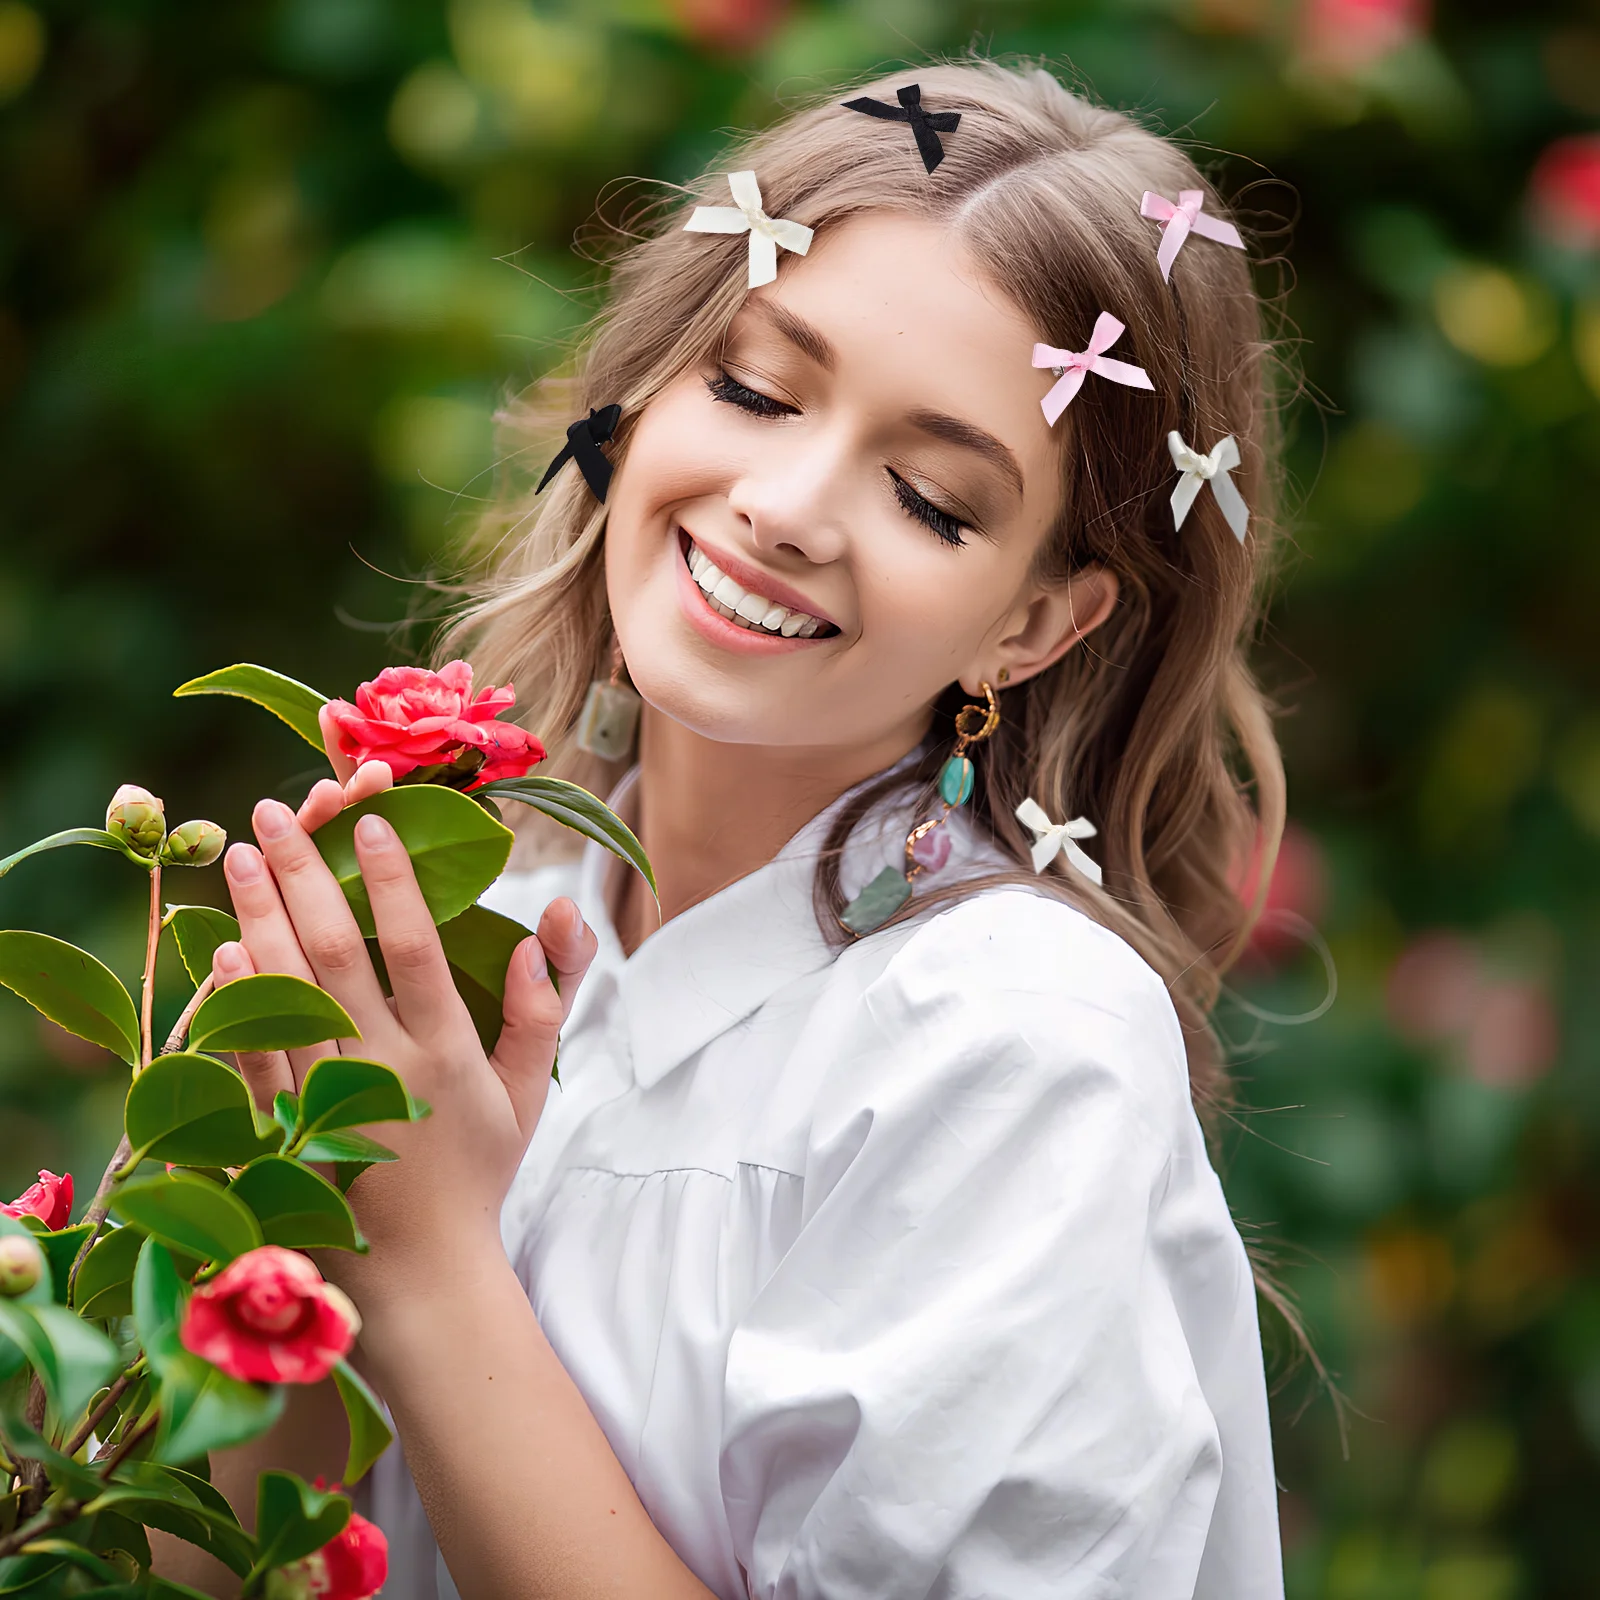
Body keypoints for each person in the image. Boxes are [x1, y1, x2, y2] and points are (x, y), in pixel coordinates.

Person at [174, 58, 1291, 1600]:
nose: (787, 502)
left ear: (1033, 622)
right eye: (758, 390)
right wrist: (285, 1207)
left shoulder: (1013, 1043)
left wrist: (428, 1267)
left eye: (931, 498)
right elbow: (238, 1563)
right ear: (642, 398)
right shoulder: (502, 925)